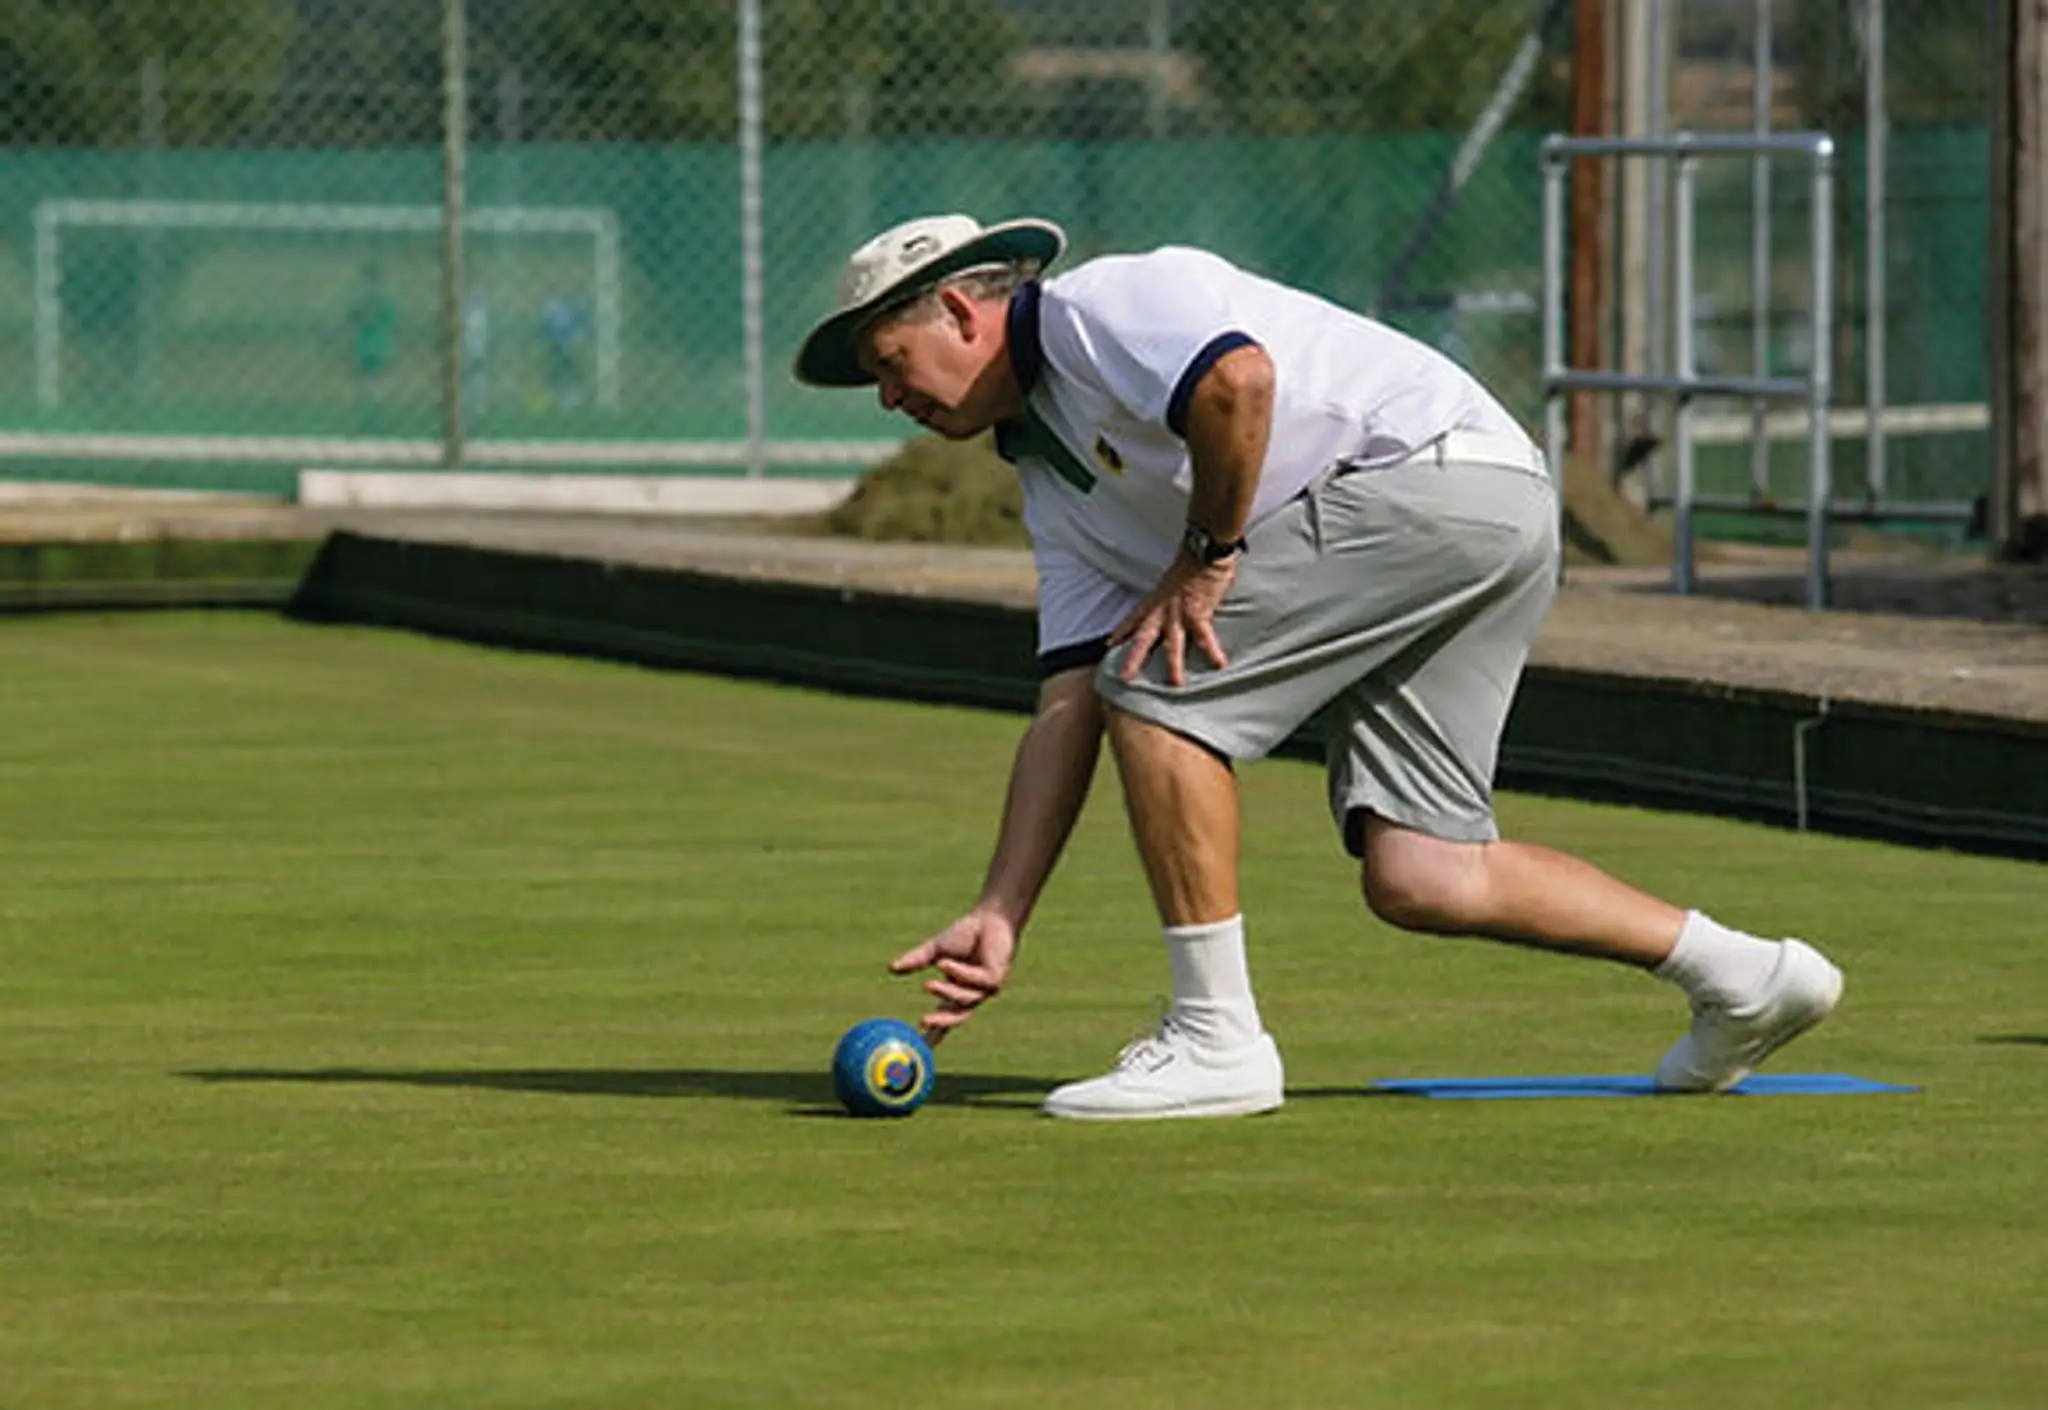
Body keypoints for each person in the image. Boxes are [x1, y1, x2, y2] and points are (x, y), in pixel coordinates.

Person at [792, 214, 1844, 1120]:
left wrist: (1204, 561)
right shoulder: (1047, 482)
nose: (890, 399)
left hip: (1430, 479)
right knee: (1421, 872)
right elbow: (1066, 701)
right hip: (1489, 507)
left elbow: (1235, 381)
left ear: (963, 315)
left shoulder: (1095, 306)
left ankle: (1216, 1040)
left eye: (891, 363)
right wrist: (1000, 907)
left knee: (1159, 685)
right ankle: (1746, 976)